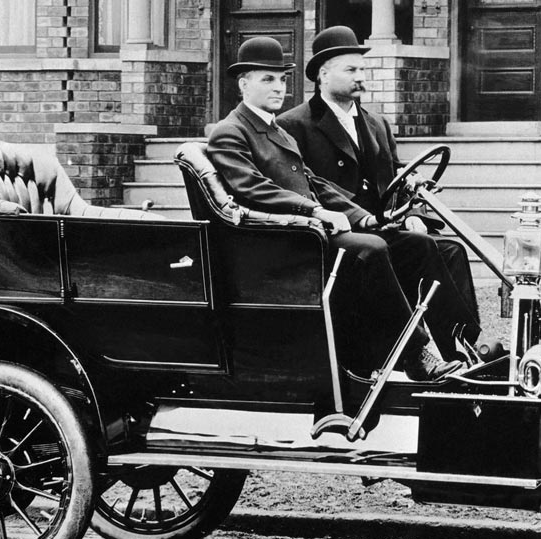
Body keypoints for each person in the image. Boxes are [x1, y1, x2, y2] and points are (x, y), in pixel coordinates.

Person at [206, 36, 463, 381]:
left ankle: (457, 345)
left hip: (307, 234)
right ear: (243, 84)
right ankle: (415, 355)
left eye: (282, 79)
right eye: (267, 79)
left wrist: (365, 217)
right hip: (277, 244)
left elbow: (316, 183)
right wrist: (314, 211)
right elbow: (251, 188)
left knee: (415, 244)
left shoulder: (275, 131)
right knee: (371, 249)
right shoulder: (230, 131)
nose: (279, 87)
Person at [278, 25, 481, 361]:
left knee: (451, 251)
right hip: (343, 236)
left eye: (363, 69)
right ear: (323, 75)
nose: (361, 77)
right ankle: (436, 354)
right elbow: (307, 186)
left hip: (385, 228)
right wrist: (365, 219)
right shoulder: (294, 125)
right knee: (422, 247)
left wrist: (414, 213)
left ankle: (465, 347)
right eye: (351, 69)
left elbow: (399, 179)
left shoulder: (376, 123)